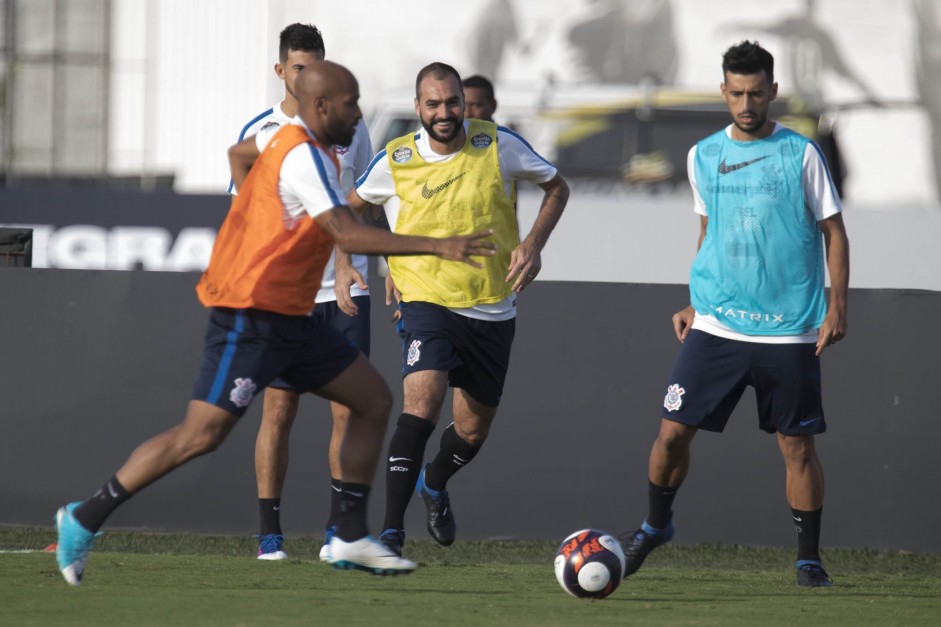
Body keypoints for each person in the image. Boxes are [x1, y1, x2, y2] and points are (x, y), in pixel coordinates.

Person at [53, 60, 497, 586]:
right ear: (321, 107)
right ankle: (83, 518)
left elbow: (238, 156)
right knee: (201, 436)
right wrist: (438, 246)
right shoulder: (304, 155)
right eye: (350, 103)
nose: (359, 114)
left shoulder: (292, 141)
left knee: (374, 401)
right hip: (250, 318)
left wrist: (259, 218)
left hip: (293, 316)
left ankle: (347, 534)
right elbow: (349, 235)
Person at [618, 40, 849, 588]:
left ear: (771, 91)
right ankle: (655, 525)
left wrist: (837, 303)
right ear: (724, 91)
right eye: (737, 93)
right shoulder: (703, 155)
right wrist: (695, 300)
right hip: (717, 322)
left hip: (789, 327)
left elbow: (834, 232)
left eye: (756, 93)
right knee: (671, 433)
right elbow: (709, 232)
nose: (747, 103)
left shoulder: (801, 154)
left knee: (796, 446)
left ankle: (808, 558)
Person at [345, 62, 569, 557]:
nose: (444, 113)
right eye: (433, 104)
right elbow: (351, 210)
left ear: (463, 105)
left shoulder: (498, 144)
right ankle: (389, 535)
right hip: (425, 299)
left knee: (471, 431)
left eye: (452, 103)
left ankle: (435, 483)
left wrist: (532, 243)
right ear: (418, 107)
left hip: (492, 306)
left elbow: (557, 187)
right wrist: (358, 263)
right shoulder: (396, 158)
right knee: (421, 403)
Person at [230, 23, 375, 562]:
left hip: (347, 283)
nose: (307, 75)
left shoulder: (349, 123)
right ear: (281, 71)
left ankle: (341, 531)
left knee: (350, 410)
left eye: (314, 66)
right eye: (297, 67)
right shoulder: (263, 132)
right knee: (280, 409)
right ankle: (270, 532)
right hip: (288, 294)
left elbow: (362, 199)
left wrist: (364, 268)